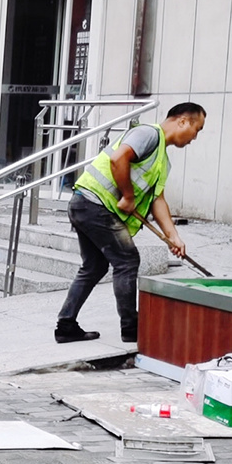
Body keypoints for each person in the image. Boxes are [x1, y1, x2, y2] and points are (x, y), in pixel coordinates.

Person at [56, 101, 207, 345]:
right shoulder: (148, 134)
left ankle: (66, 326)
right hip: (95, 205)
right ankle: (131, 329)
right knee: (127, 261)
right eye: (197, 129)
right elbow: (119, 159)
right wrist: (127, 196)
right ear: (182, 121)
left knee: (94, 267)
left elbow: (157, 200)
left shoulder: (162, 160)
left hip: (86, 205)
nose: (195, 138)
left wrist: (173, 237)